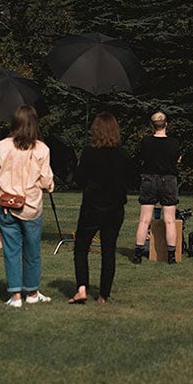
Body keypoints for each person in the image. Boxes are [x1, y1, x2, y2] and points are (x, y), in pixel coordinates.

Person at [0, 105, 54, 308]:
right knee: (32, 251)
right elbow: (47, 181)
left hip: (6, 206)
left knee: (11, 252)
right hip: (32, 206)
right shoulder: (41, 148)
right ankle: (31, 292)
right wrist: (45, 186)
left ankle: (15, 297)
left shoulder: (1, 147)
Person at [68, 112, 135, 305]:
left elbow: (79, 180)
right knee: (108, 250)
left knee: (81, 247)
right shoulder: (123, 154)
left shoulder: (89, 152)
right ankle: (103, 295)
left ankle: (81, 288)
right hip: (114, 208)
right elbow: (131, 180)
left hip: (92, 206)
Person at [133, 111, 181, 265]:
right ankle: (171, 255)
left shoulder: (146, 142)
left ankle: (138, 254)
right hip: (168, 179)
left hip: (149, 179)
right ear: (166, 124)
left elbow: (141, 158)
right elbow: (177, 160)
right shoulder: (173, 143)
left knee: (144, 219)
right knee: (169, 220)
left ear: (152, 125)